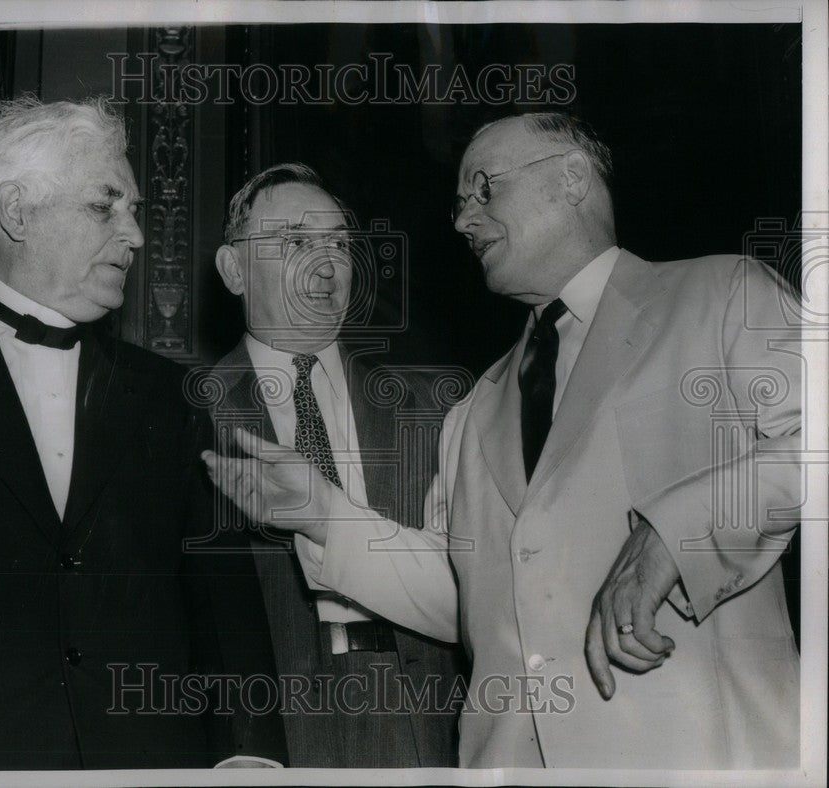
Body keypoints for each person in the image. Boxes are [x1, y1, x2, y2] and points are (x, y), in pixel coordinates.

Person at [203, 113, 802, 769]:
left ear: (572, 179)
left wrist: (672, 531)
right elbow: (463, 596)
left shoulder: (723, 295)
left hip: (700, 759)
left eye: (485, 190)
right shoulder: (476, 407)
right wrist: (324, 514)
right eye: (460, 204)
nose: (462, 221)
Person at [0, 96, 286, 770]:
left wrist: (251, 757)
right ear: (17, 212)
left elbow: (222, 607)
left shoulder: (172, 396)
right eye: (104, 205)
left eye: (135, 209)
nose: (136, 235)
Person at [198, 163, 464, 767]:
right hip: (275, 741)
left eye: (339, 244)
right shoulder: (188, 416)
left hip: (428, 725)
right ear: (234, 270)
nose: (326, 264)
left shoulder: (434, 410)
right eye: (295, 241)